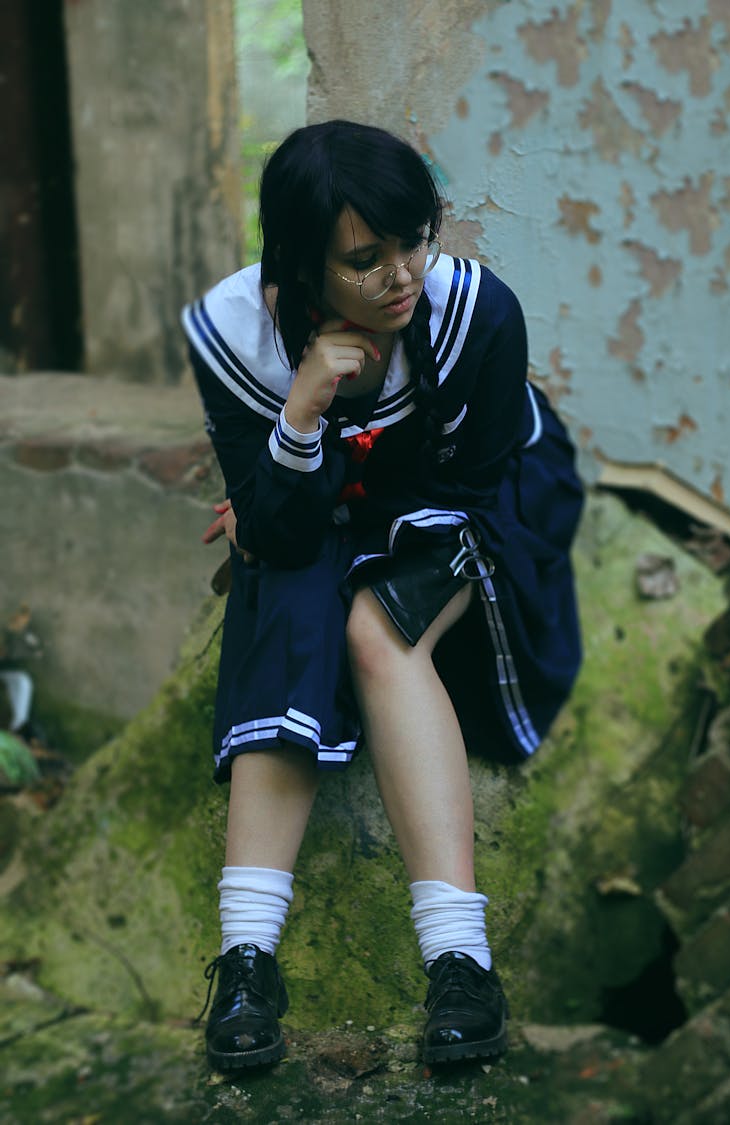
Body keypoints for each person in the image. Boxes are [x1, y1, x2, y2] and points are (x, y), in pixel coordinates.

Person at [183, 119, 583, 1072]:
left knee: (372, 625)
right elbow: (279, 532)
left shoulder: (474, 314)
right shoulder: (235, 333)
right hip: (345, 497)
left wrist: (307, 494)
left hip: (476, 498)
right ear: (299, 261)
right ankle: (246, 961)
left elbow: (471, 489)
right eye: (365, 260)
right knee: (286, 589)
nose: (403, 274)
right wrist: (301, 414)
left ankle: (461, 963)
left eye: (415, 240)